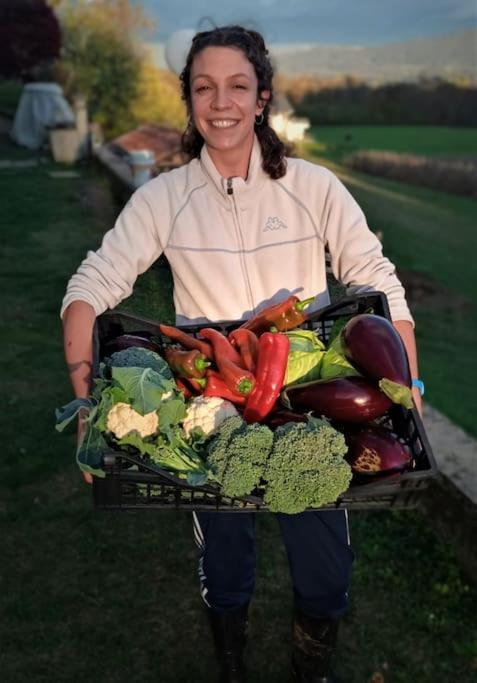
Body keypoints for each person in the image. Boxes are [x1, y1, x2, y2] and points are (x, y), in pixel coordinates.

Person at [61, 25, 423, 683]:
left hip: (306, 406)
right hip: (212, 412)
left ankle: (308, 666)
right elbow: (91, 286)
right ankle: (230, 659)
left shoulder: (312, 188)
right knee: (225, 565)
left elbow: (376, 279)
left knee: (325, 570)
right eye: (204, 87)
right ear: (189, 99)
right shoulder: (163, 199)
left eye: (236, 86)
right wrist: (85, 397)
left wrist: (408, 377)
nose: (219, 102)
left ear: (261, 98)